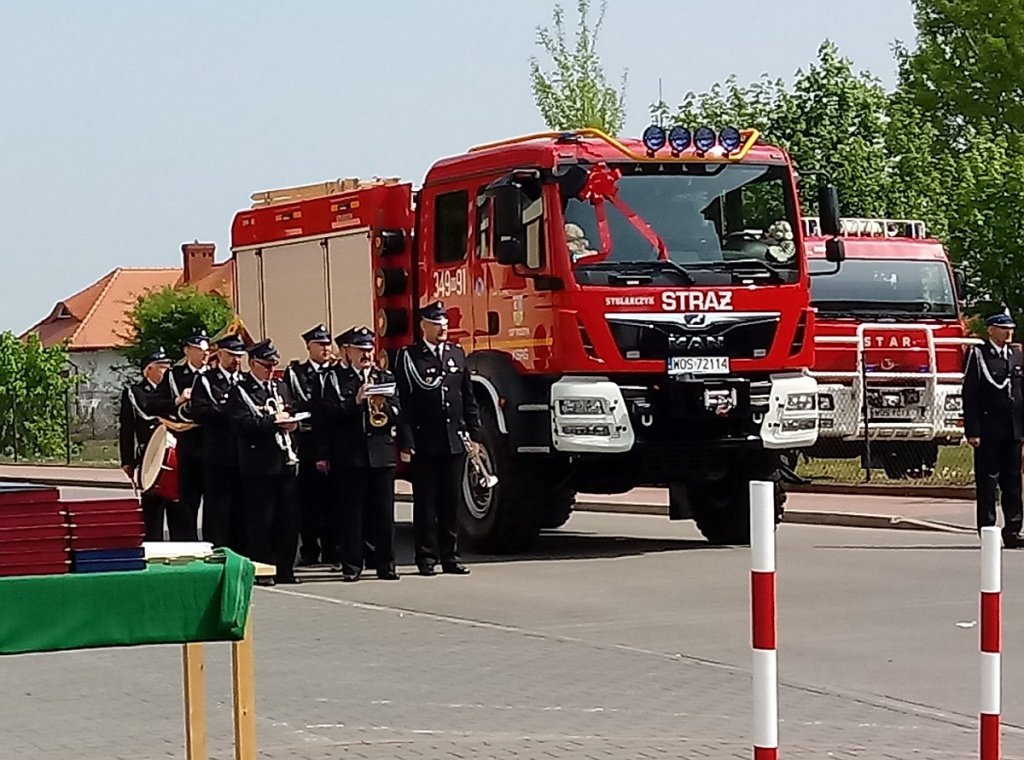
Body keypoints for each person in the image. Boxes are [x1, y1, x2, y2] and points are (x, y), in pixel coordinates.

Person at [396, 301, 480, 576]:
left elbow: (467, 397)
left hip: (453, 440)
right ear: (424, 326)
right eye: (436, 323)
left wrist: (474, 434)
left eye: (444, 323)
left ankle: (451, 556)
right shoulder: (410, 357)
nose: (443, 328)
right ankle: (426, 557)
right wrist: (407, 441)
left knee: (450, 501)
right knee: (426, 503)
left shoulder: (456, 354)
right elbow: (404, 403)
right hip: (425, 441)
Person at [317, 326, 400, 582]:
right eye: (361, 350)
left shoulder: (383, 376)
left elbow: (398, 410)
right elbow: (326, 415)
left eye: (369, 349)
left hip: (381, 453)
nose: (366, 354)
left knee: (384, 514)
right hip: (350, 454)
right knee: (352, 514)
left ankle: (386, 564)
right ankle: (352, 565)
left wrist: (385, 406)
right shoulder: (334, 378)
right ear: (347, 351)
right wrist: (355, 402)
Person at [227, 340, 301, 585]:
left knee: (289, 520)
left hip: (285, 462)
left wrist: (294, 424)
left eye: (273, 365)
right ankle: (264, 569)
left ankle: (286, 569)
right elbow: (241, 425)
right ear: (252, 364)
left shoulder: (280, 387)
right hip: (258, 464)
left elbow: (292, 412)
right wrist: (273, 422)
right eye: (266, 365)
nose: (271, 370)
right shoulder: (241, 391)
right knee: (262, 521)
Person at [963, 312, 1024, 547]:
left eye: (1010, 328)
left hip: (1012, 429)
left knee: (1013, 482)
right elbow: (970, 394)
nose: (1008, 332)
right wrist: (973, 431)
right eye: (1002, 328)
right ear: (990, 330)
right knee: (988, 482)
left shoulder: (1016, 355)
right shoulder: (978, 355)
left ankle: (1013, 530)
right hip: (988, 430)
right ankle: (988, 529)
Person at [118, 347, 191, 540]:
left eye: (168, 366)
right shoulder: (136, 392)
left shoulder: (172, 390)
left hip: (175, 455)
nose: (166, 371)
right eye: (161, 367)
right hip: (150, 456)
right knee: (152, 514)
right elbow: (128, 427)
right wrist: (128, 460)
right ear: (148, 369)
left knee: (178, 511)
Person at [283, 324, 336, 566]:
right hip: (308, 443)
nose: (326, 348)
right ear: (309, 347)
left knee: (334, 501)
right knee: (309, 502)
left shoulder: (336, 371)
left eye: (327, 344)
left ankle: (333, 549)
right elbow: (293, 405)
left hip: (335, 444)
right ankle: (310, 549)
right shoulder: (297, 373)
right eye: (320, 344)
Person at [190, 334, 247, 551]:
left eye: (239, 356)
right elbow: (199, 412)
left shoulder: (244, 381)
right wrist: (230, 412)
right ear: (220, 354)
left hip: (243, 454)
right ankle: (217, 549)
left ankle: (240, 550)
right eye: (231, 355)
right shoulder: (206, 381)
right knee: (218, 509)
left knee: (241, 509)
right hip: (218, 454)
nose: (236, 360)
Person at [151, 329, 209, 541]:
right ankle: (187, 544)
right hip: (188, 446)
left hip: (212, 445)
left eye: (207, 349)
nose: (205, 354)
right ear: (187, 351)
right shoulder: (174, 376)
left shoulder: (212, 374)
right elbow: (153, 404)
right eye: (199, 350)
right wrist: (177, 400)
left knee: (213, 505)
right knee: (187, 503)